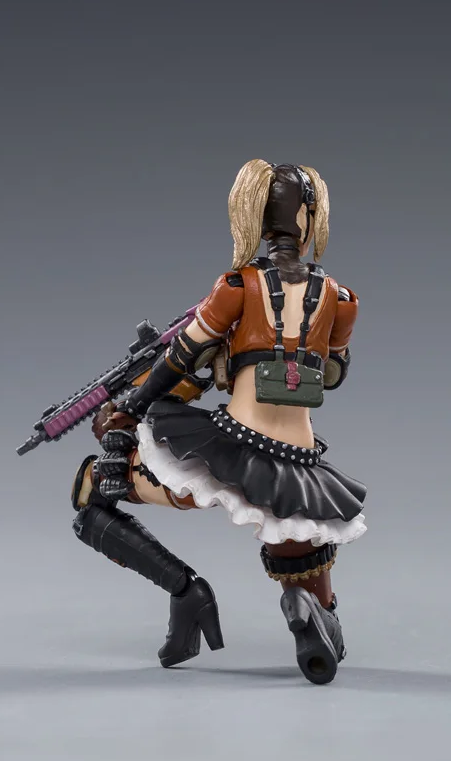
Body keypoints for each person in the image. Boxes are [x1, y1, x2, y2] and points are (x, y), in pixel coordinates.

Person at [71, 160, 366, 685]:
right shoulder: (340, 300)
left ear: (254, 217)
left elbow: (177, 361)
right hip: (295, 466)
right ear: (309, 218)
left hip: (225, 453)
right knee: (299, 549)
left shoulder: (236, 286)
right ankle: (313, 614)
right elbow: (334, 375)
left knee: (93, 489)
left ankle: (186, 591)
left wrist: (129, 409)